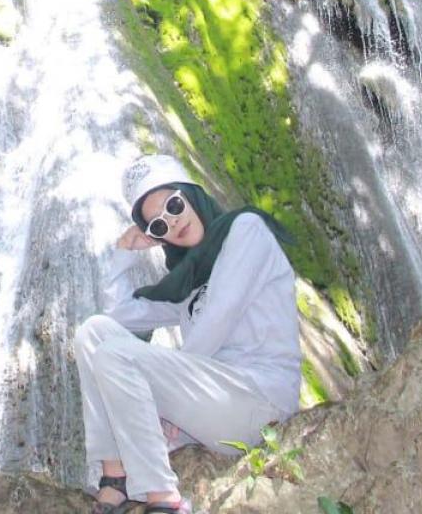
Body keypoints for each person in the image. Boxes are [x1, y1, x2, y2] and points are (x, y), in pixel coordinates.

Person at [74, 154, 302, 514]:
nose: (172, 222)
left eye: (174, 205)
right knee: (93, 333)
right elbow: (119, 316)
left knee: (116, 355)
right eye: (158, 225)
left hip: (261, 400)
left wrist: (165, 398)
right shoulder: (188, 282)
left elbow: (219, 317)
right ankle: (115, 476)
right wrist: (123, 254)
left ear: (191, 194)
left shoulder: (246, 229)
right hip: (216, 403)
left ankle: (163, 499)